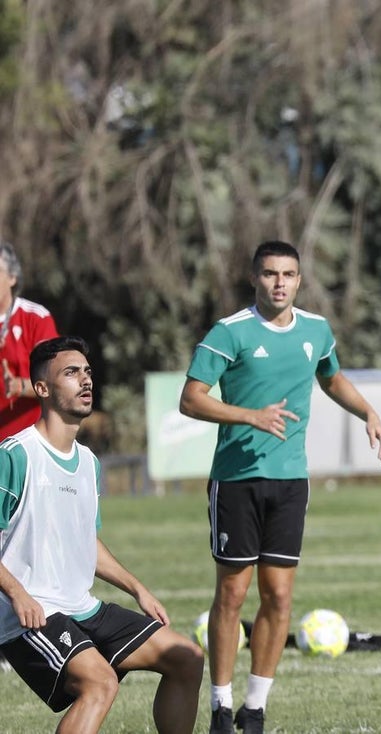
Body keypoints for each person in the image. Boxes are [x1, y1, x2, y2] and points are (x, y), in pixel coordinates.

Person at [179, 241, 381, 733]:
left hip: (291, 481)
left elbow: (331, 379)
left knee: (278, 597)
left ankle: (255, 710)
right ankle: (221, 708)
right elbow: (191, 399)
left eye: (289, 274)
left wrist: (369, 412)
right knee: (232, 595)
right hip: (236, 481)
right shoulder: (228, 332)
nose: (280, 282)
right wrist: (249, 415)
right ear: (255, 278)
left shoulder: (315, 330)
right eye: (270, 273)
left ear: (299, 280)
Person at [0, 336, 204, 732]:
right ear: (41, 389)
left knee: (187, 657)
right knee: (100, 683)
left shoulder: (89, 464)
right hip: (28, 613)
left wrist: (138, 588)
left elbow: (86, 543)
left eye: (88, 373)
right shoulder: (16, 455)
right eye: (71, 373)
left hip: (82, 607)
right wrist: (18, 593)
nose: (85, 381)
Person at [0, 240, 59, 439]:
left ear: (12, 277)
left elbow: (54, 378)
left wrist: (20, 386)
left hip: (30, 443)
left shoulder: (35, 318)